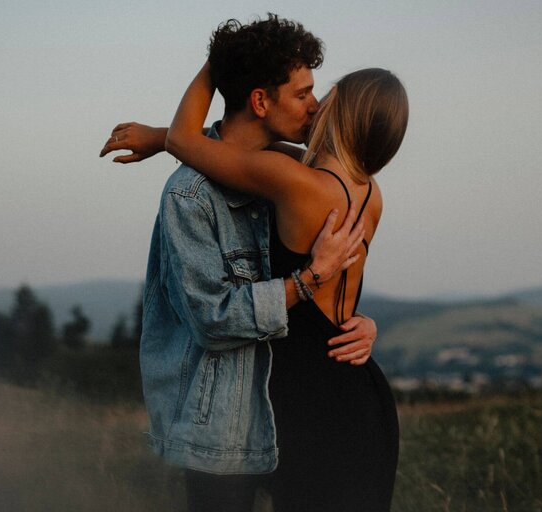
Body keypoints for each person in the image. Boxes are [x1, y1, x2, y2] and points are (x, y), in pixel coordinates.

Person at [100, 15, 379, 512]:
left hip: (294, 408)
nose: (315, 107)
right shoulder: (190, 195)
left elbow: (207, 145)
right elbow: (215, 318)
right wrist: (312, 278)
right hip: (225, 425)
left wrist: (355, 323)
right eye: (303, 93)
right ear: (259, 101)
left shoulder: (291, 172)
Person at [161, 41, 409, 512]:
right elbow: (249, 149)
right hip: (362, 391)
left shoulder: (293, 181)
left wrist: (223, 59)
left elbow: (185, 140)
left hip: (314, 401)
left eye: (326, 95)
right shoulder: (369, 192)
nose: (315, 103)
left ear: (345, 114)